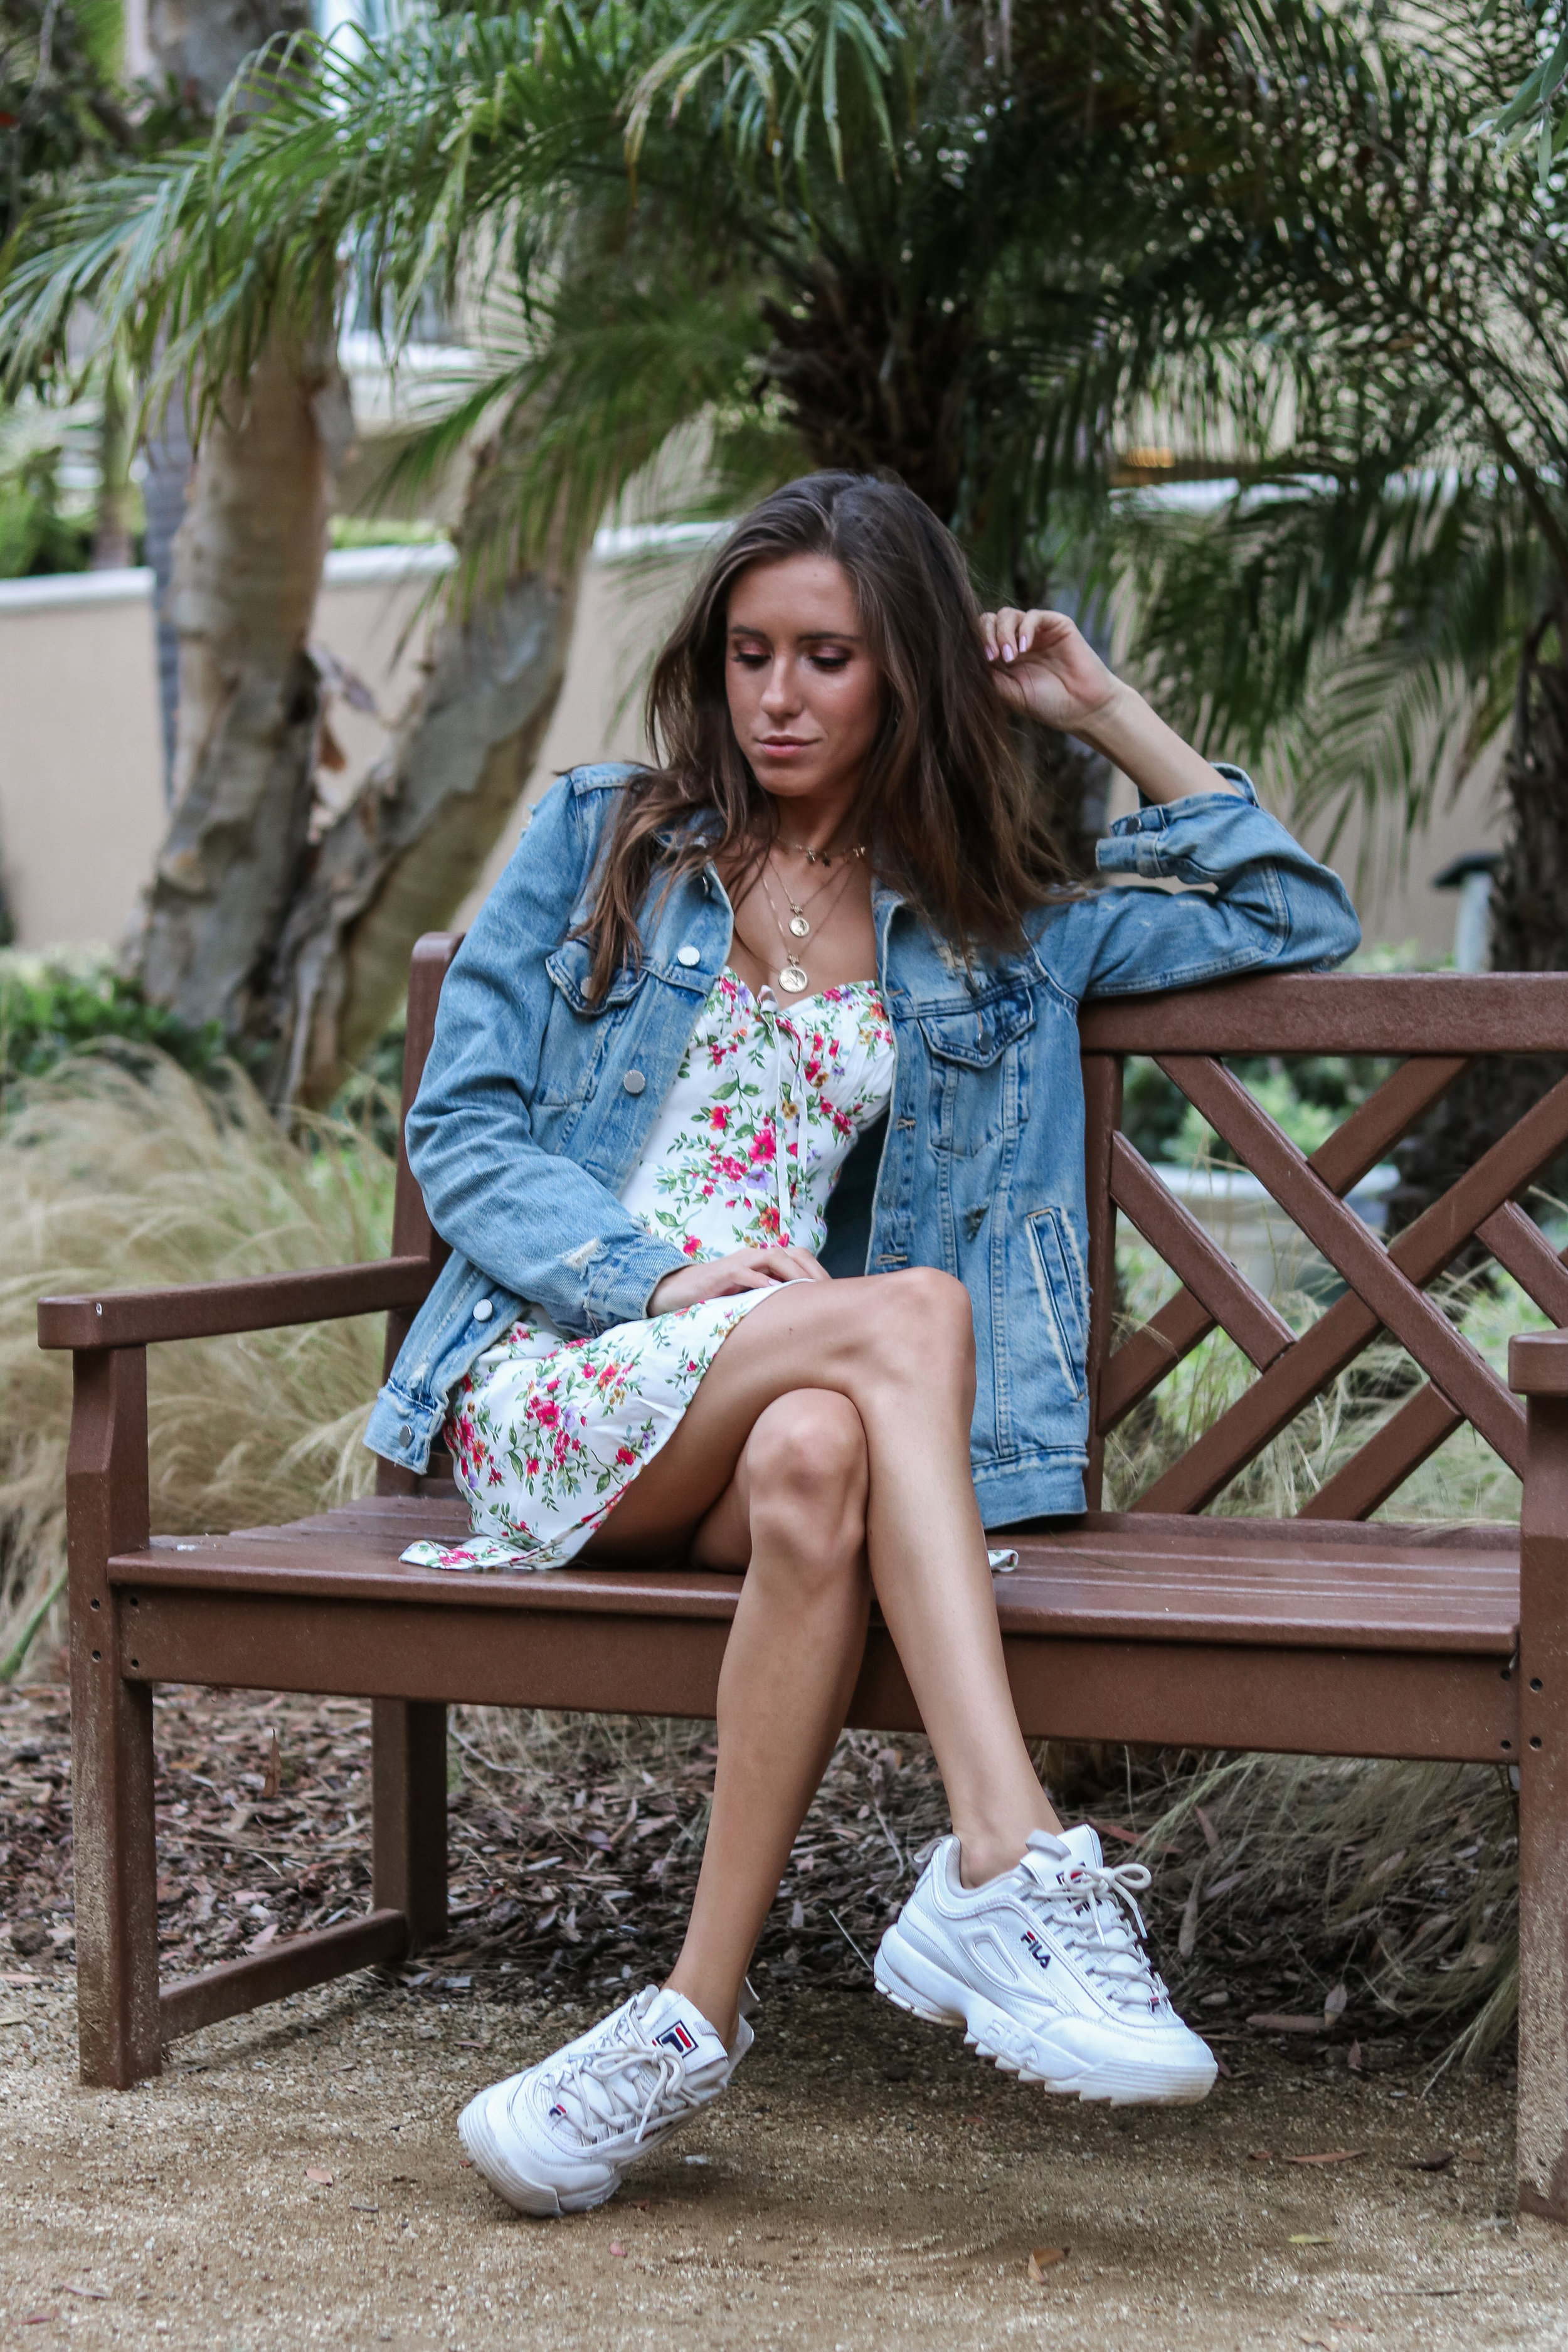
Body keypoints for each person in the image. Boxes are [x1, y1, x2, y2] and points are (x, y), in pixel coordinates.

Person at [366, 471, 1360, 2218]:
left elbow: (1293, 917)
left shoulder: (986, 924)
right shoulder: (608, 835)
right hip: (555, 1375)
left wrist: (1100, 704)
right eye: (750, 653)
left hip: (761, 1420)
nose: (776, 696)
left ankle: (685, 2018)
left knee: (824, 1451)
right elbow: (466, 1133)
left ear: (903, 672)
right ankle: (998, 1850)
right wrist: (657, 1279)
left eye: (826, 656)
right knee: (909, 1316)